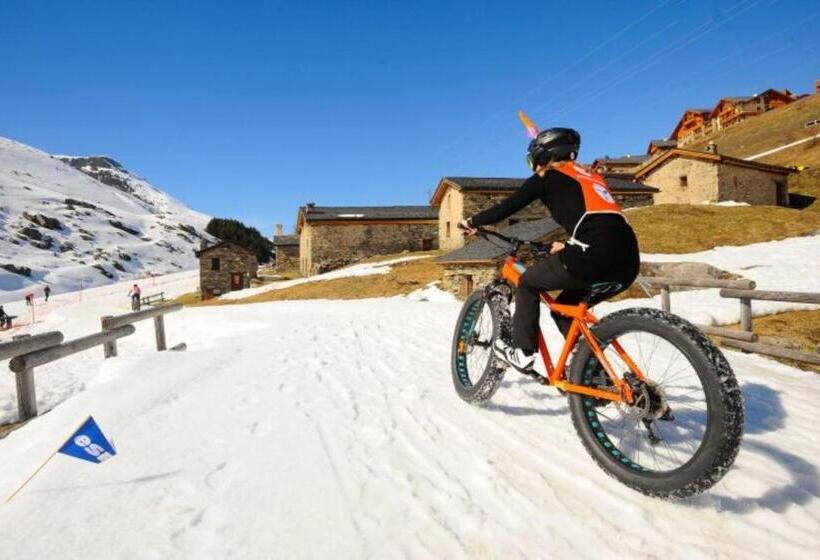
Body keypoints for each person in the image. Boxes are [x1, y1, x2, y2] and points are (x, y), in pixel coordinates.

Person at [460, 127, 640, 373]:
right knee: (565, 311)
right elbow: (600, 224)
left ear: (541, 155)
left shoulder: (547, 177)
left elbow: (506, 208)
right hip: (627, 261)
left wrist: (472, 222)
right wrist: (567, 245)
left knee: (528, 282)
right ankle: (593, 377)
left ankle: (522, 352)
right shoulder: (591, 178)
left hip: (592, 256)